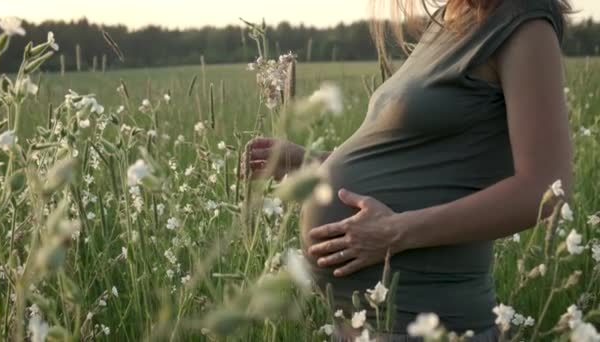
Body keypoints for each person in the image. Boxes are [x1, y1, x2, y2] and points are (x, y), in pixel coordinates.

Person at [242, 0, 574, 340]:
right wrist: (312, 163)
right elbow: (417, 158)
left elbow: (546, 189)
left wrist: (394, 232)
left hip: (425, 322)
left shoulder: (523, 24)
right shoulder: (449, 21)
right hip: (365, 322)